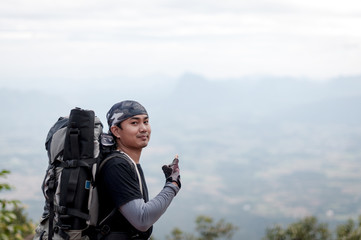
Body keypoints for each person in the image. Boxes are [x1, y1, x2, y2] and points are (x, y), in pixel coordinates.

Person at [97, 100, 181, 240]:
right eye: (134, 123)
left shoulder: (128, 162)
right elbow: (142, 220)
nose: (143, 129)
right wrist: (172, 185)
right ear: (116, 131)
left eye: (146, 122)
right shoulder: (117, 165)